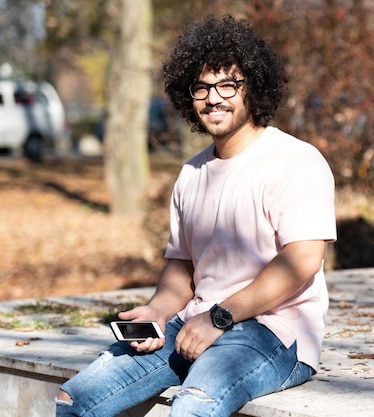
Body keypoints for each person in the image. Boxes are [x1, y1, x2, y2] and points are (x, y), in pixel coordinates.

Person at [56, 14, 336, 417]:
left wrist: (219, 318)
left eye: (227, 84)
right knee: (74, 399)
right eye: (201, 87)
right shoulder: (191, 173)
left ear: (252, 88)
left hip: (273, 332)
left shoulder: (296, 161)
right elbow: (181, 268)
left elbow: (303, 260)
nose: (213, 98)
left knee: (193, 405)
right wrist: (157, 310)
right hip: (194, 324)